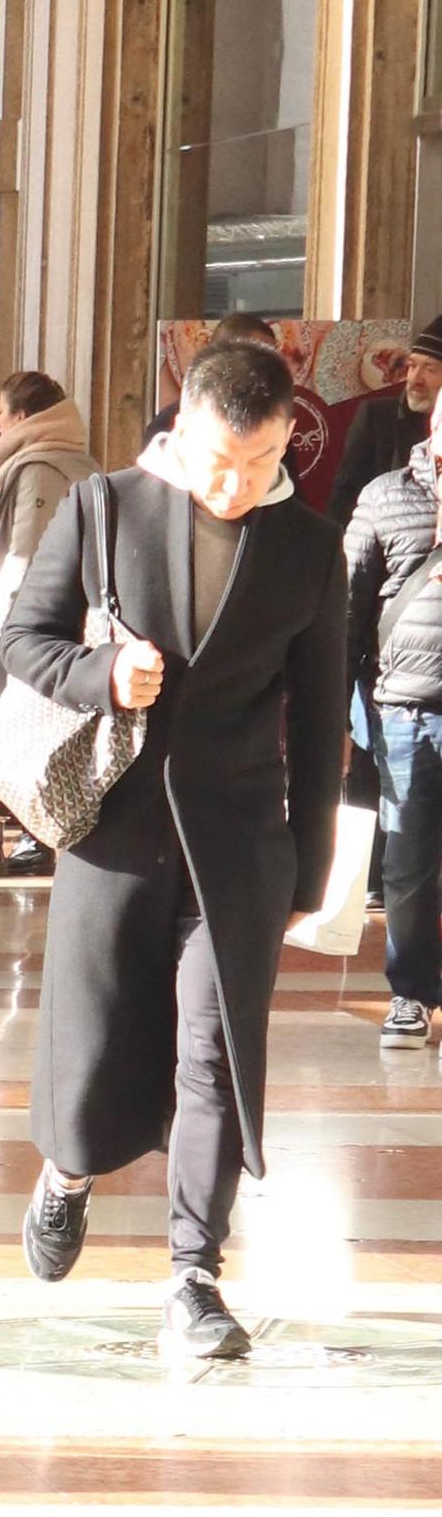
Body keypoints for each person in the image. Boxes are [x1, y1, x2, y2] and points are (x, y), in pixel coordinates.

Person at [3, 335, 347, 1368]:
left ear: (286, 437)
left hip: (238, 843)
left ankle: (193, 1278)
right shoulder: (103, 505)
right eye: (213, 460)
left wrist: (310, 868)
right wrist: (99, 673)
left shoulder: (307, 547)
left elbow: (322, 714)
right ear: (181, 427)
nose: (230, 484)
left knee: (213, 1053)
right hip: (113, 826)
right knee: (98, 1032)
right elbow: (23, 638)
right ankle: (66, 1171)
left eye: (253, 462)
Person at [0, 370, 92, 878]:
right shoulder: (74, 460)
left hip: (23, 625)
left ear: (21, 417)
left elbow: (25, 553)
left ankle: (2, 835)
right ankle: (22, 835)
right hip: (54, 624)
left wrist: (3, 624)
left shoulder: (39, 466)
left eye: (1, 410)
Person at [344, 376, 442, 1049]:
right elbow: (349, 606)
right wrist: (334, 711)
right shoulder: (384, 496)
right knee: (407, 863)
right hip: (407, 707)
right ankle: (410, 991)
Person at [329, 317, 442, 531]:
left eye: (430, 369)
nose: (415, 379)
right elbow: (344, 499)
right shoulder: (377, 417)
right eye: (412, 366)